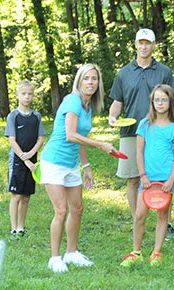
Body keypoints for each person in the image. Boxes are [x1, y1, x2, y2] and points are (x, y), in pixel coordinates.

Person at [40, 63, 118, 273]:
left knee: (78, 209)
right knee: (61, 210)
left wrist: (87, 166)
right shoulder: (72, 101)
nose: (90, 82)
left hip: (71, 164)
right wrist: (101, 145)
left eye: (94, 79)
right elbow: (70, 135)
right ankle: (55, 258)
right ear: (79, 81)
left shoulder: (88, 106)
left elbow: (79, 139)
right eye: (86, 78)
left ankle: (71, 253)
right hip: (54, 162)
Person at [108, 28, 174, 239]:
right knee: (133, 179)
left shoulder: (164, 71)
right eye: (141, 42)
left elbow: (171, 100)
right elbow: (117, 102)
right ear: (135, 44)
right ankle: (136, 221)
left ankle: (164, 224)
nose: (144, 46)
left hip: (159, 132)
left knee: (162, 177)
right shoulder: (124, 73)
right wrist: (113, 117)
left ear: (154, 45)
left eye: (148, 43)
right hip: (130, 131)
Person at [120, 84, 174, 267]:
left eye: (164, 100)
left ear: (170, 102)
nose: (160, 103)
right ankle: (136, 252)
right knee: (140, 215)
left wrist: (171, 180)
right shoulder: (145, 124)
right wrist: (143, 175)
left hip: (166, 180)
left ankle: (156, 253)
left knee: (163, 215)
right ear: (152, 102)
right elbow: (139, 153)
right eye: (157, 100)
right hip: (147, 180)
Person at [5, 80, 46, 241]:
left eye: (30, 94)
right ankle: (13, 229)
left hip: (32, 162)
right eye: (23, 94)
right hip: (17, 161)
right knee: (16, 195)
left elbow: (40, 138)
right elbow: (12, 141)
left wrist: (31, 154)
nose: (27, 97)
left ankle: (21, 227)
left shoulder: (36, 116)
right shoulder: (12, 117)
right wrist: (24, 157)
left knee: (26, 196)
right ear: (17, 95)